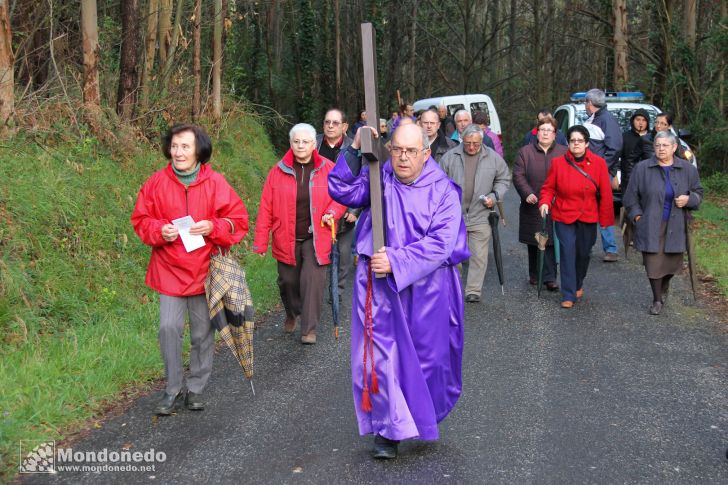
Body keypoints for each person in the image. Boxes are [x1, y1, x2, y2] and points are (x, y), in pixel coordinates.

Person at [328, 123, 470, 460]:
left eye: (410, 152)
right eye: (397, 150)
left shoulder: (444, 191)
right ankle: (387, 431)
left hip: (428, 290)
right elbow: (341, 189)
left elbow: (440, 244)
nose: (402, 158)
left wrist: (397, 260)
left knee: (426, 360)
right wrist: (354, 149)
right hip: (378, 287)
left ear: (425, 153)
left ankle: (419, 417)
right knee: (381, 357)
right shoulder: (381, 178)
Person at [131, 124, 249, 415]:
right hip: (168, 269)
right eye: (174, 146)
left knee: (201, 334)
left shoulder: (216, 183)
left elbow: (238, 220)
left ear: (199, 150)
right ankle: (172, 389)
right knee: (168, 329)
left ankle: (195, 388)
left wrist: (213, 226)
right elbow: (141, 220)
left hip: (205, 271)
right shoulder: (155, 183)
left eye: (185, 146)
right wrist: (160, 230)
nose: (178, 152)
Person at [253, 123, 346, 344]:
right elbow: (266, 207)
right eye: (296, 141)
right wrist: (260, 242)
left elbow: (340, 197)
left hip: (317, 236)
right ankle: (292, 311)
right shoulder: (277, 172)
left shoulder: (329, 168)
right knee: (288, 282)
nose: (301, 145)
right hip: (286, 235)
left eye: (305, 142)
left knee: (312, 281)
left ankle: (309, 329)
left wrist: (331, 212)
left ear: (314, 144)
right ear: (291, 143)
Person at [623, 131, 703, 315]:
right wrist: (637, 217)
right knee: (652, 263)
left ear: (674, 147)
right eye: (657, 145)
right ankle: (657, 299)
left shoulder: (688, 170)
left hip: (676, 225)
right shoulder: (642, 168)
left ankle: (664, 286)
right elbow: (630, 197)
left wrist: (689, 200)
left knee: (671, 264)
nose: (660, 149)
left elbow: (699, 193)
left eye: (665, 145)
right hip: (650, 223)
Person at [539, 125, 614, 308]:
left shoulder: (598, 163)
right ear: (568, 143)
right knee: (567, 253)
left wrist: (606, 221)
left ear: (587, 143)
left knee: (583, 253)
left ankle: (578, 282)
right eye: (573, 141)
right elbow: (549, 187)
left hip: (588, 214)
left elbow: (605, 193)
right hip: (564, 214)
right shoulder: (558, 163)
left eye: (580, 141)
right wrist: (545, 202)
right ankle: (568, 293)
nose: (576, 144)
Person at [440, 124, 511, 303]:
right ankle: (454, 286)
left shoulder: (493, 158)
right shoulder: (450, 157)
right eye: (468, 143)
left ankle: (473, 290)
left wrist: (494, 196)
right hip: (454, 216)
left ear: (482, 142)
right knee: (454, 255)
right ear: (462, 139)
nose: (471, 147)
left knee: (479, 255)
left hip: (481, 214)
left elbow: (503, 179)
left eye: (476, 144)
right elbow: (439, 181)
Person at [512, 115, 567, 291]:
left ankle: (550, 277)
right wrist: (527, 193)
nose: (545, 134)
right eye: (542, 130)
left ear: (555, 134)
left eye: (549, 131)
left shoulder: (563, 152)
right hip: (533, 203)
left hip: (556, 203)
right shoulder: (525, 152)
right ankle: (535, 274)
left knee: (551, 240)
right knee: (534, 239)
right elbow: (518, 175)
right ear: (537, 132)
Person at [316, 109, 360, 295]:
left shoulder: (355, 147)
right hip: (318, 207)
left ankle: (337, 292)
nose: (330, 126)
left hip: (345, 207)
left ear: (344, 127)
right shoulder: (314, 143)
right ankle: (316, 290)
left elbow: (361, 179)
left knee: (343, 255)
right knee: (317, 253)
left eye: (335, 123)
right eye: (327, 122)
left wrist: (355, 210)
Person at [583, 88, 623, 263]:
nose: (585, 105)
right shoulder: (595, 119)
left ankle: (611, 249)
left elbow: (615, 148)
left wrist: (602, 170)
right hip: (588, 173)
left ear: (590, 103)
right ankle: (587, 246)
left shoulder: (606, 120)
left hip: (599, 175)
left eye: (585, 102)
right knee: (588, 209)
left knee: (604, 209)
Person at [620, 108, 651, 193]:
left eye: (644, 120)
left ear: (647, 122)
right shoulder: (624, 137)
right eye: (638, 120)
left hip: (649, 178)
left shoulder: (653, 137)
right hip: (628, 179)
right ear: (633, 121)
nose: (640, 123)